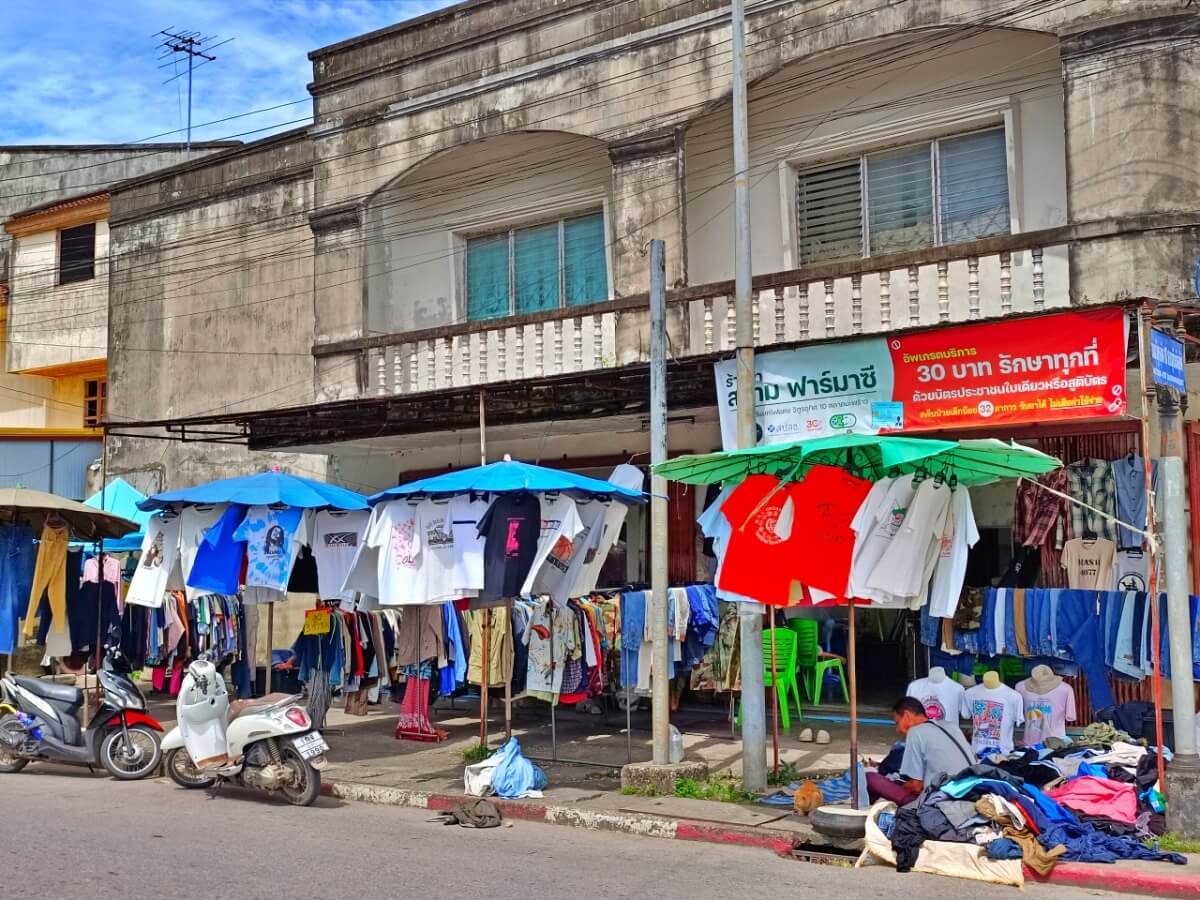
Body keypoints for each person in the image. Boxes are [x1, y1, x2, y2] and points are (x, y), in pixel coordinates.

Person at [866, 696, 977, 805]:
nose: (898, 729)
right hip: (973, 793)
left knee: (870, 778)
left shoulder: (915, 732)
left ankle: (867, 806)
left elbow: (916, 786)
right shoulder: (952, 727)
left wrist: (895, 787)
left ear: (907, 716)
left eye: (897, 722)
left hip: (941, 801)